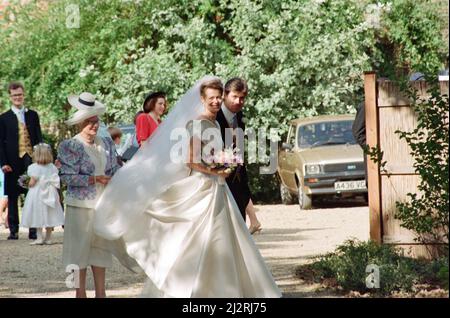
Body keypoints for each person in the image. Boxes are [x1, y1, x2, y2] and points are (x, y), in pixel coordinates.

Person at [94, 77, 281, 298]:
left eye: (218, 97)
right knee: (201, 238)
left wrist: (225, 163)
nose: (215, 101)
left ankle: (228, 289)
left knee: (226, 238)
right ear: (202, 99)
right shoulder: (197, 124)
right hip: (206, 185)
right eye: (211, 98)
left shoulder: (216, 123)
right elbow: (190, 160)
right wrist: (217, 170)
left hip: (219, 188)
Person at [57, 92, 121, 298]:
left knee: (100, 249)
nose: (94, 125)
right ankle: (78, 292)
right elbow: (67, 177)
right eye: (89, 122)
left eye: (96, 121)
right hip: (80, 206)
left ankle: (101, 293)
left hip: (102, 204)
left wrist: (116, 180)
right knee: (76, 253)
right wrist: (95, 179)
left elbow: (115, 168)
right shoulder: (70, 146)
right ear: (79, 123)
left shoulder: (107, 143)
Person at [216, 78, 261, 234]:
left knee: (238, 230)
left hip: (237, 180)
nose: (238, 101)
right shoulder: (214, 116)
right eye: (234, 96)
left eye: (242, 98)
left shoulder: (240, 117)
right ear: (224, 95)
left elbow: (239, 153)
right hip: (216, 180)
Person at [0, 82, 43, 240]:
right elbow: (0, 143)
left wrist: (40, 158)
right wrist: (3, 162)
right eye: (14, 95)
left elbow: (38, 137)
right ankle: (14, 230)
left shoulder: (32, 115)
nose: (17, 97)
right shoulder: (3, 118)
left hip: (30, 158)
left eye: (20, 94)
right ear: (10, 97)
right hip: (12, 161)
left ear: (23, 95)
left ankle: (33, 229)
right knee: (12, 195)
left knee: (32, 193)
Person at [20, 143, 64, 245]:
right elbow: (55, 177)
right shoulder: (52, 167)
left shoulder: (33, 167)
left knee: (37, 213)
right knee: (49, 213)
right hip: (50, 191)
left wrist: (27, 183)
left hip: (37, 193)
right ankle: (48, 238)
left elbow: (32, 182)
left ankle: (39, 238)